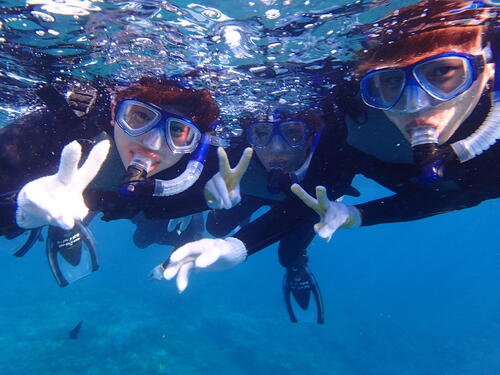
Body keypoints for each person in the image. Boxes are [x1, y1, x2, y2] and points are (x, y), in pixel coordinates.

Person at [0, 76, 251, 286]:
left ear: (194, 143)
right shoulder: (53, 128)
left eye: (176, 131)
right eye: (140, 116)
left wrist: (204, 200)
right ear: (113, 112)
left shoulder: (203, 164)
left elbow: (157, 211)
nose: (151, 145)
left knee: (157, 238)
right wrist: (19, 210)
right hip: (91, 198)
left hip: (131, 204)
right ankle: (60, 223)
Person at [291, 0, 499, 241]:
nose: (415, 105)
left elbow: (464, 195)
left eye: (442, 72)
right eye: (389, 81)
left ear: (488, 71)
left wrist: (360, 215)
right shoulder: (351, 118)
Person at [205, 108, 328, 323]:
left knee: (289, 258)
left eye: (293, 134)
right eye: (261, 134)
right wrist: (208, 194)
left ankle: (298, 266)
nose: (277, 148)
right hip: (254, 192)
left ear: (311, 138)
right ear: (249, 138)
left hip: (301, 203)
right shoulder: (237, 149)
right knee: (215, 227)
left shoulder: (327, 158)